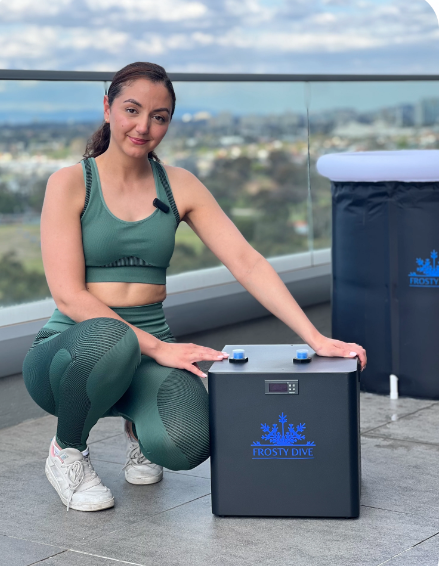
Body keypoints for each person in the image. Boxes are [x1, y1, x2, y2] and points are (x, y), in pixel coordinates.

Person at [22, 62, 367, 513]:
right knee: (112, 336)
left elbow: (247, 262)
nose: (143, 127)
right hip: (70, 352)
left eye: (159, 116)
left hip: (147, 351)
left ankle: (138, 428)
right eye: (131, 109)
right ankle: (67, 450)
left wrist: (316, 338)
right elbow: (68, 295)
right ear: (107, 108)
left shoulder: (178, 185)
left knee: (188, 445)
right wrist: (161, 349)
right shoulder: (69, 182)